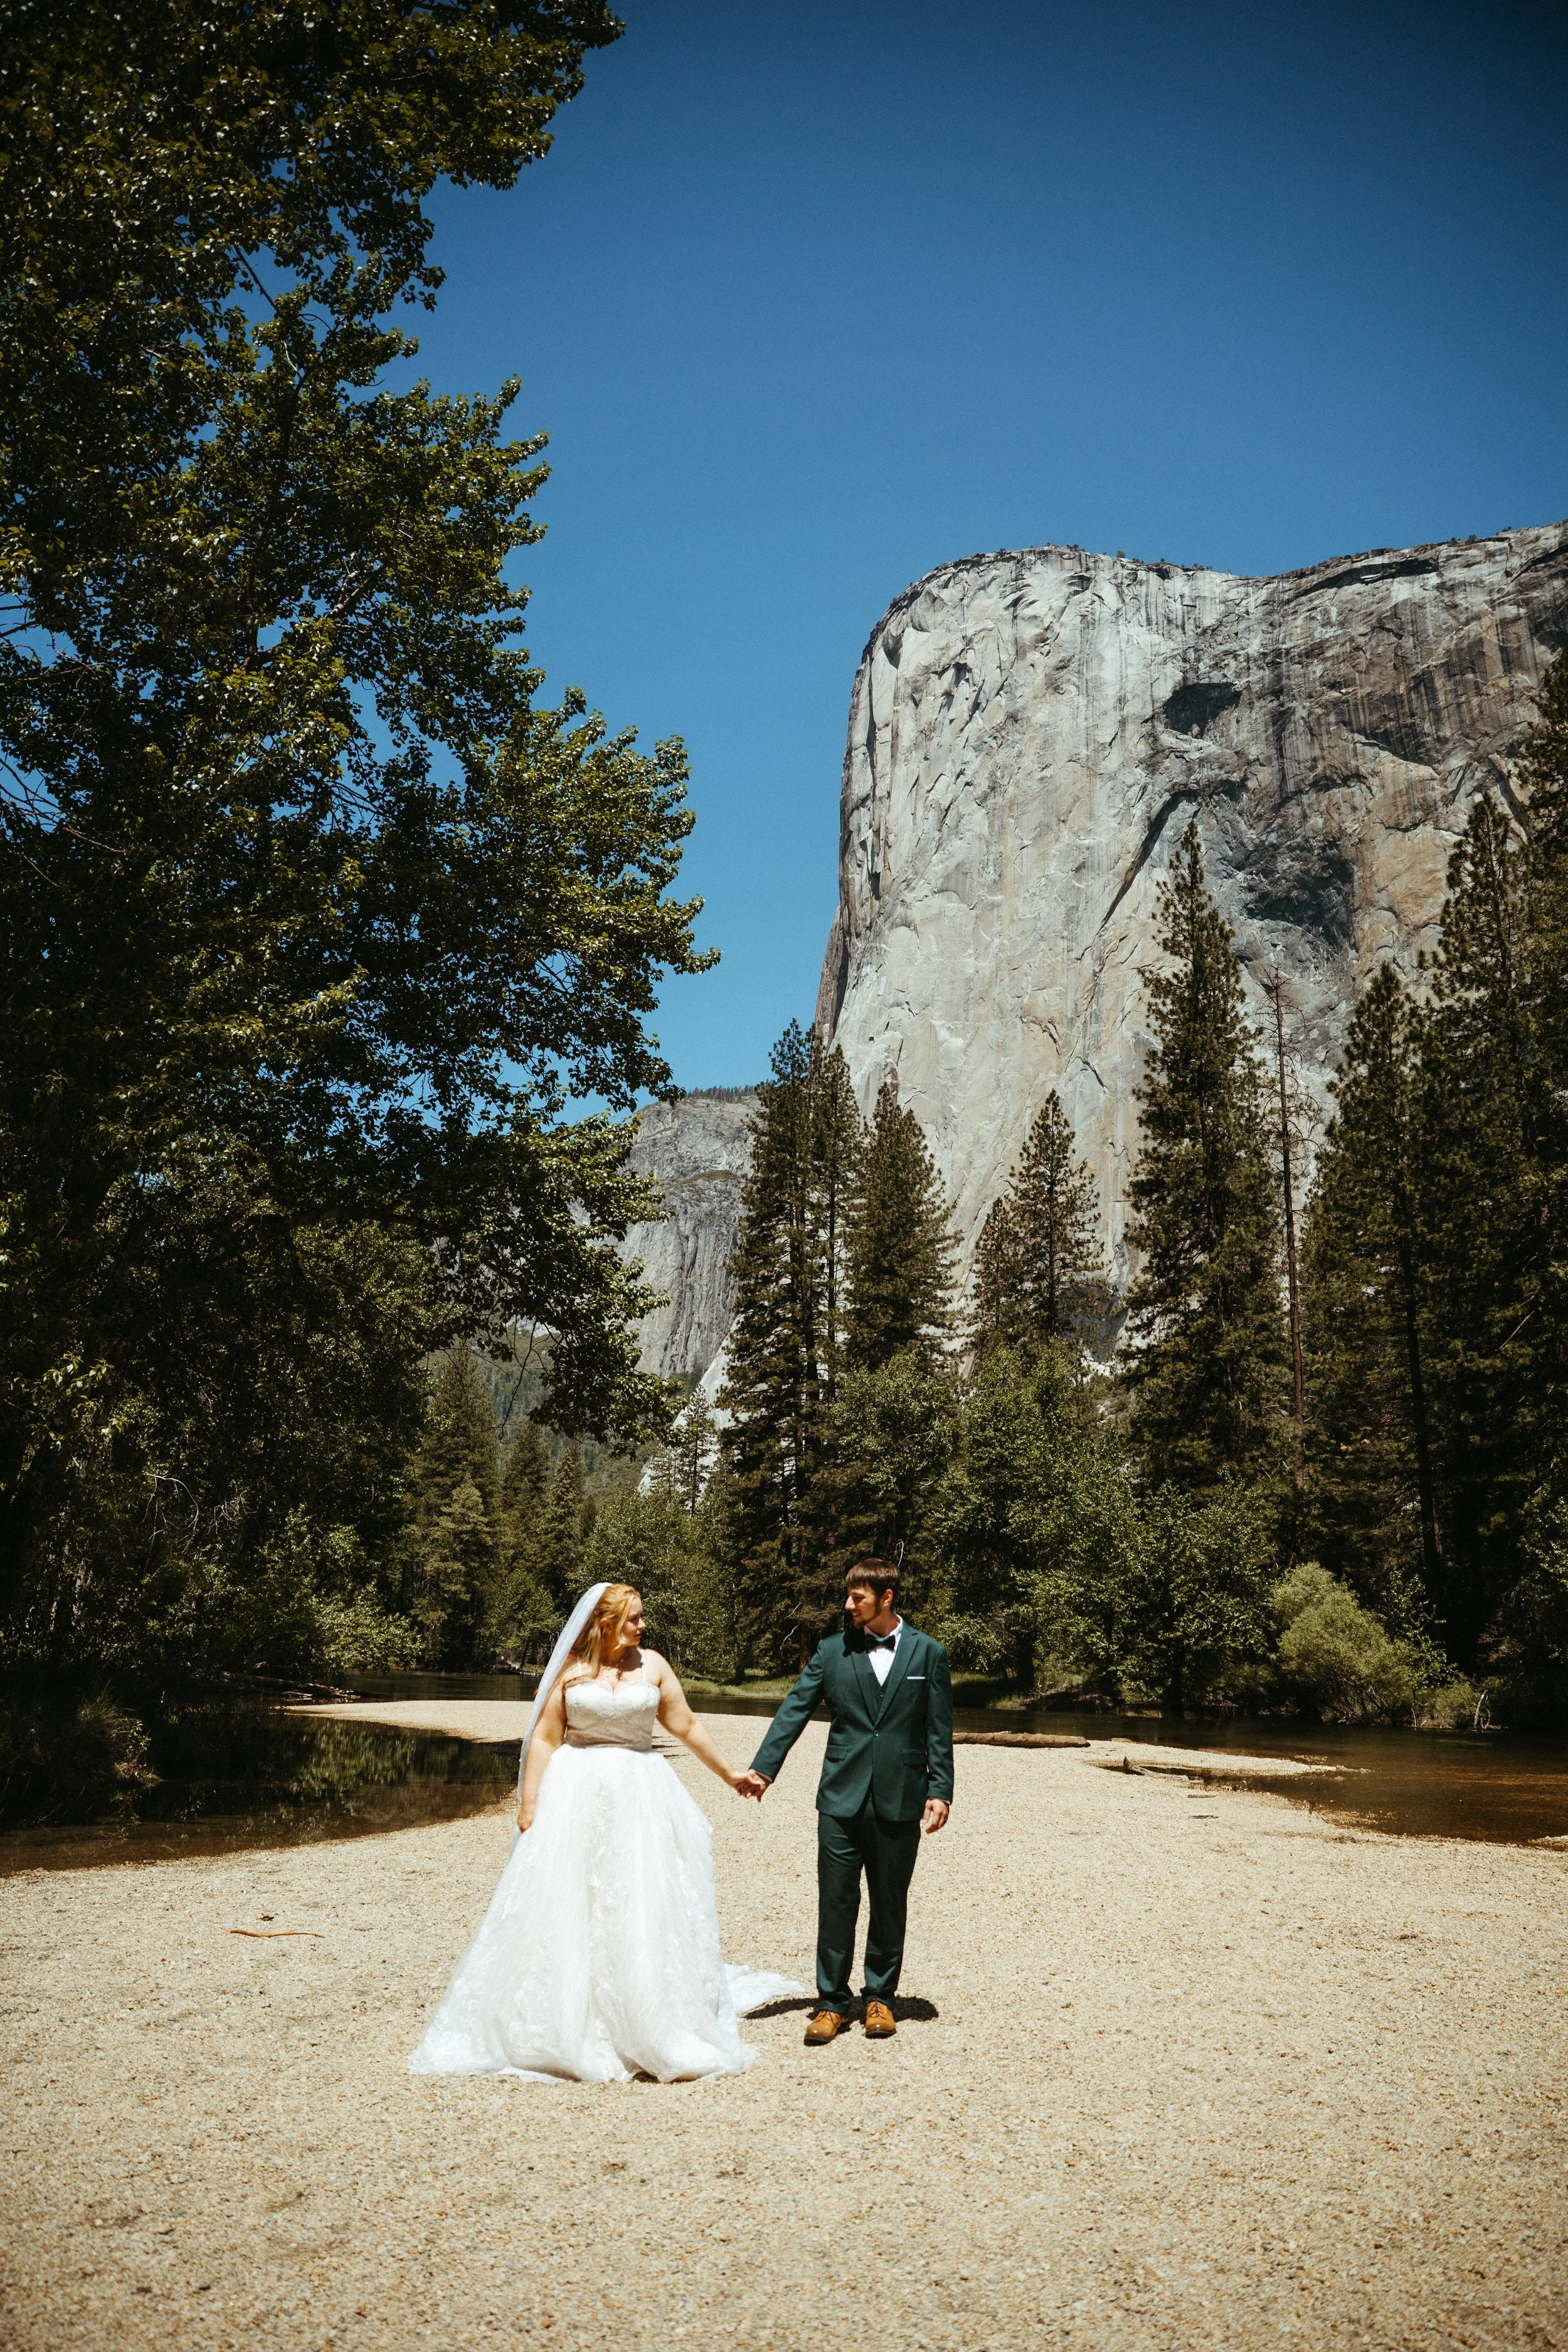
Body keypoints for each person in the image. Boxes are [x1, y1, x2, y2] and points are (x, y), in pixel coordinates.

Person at [410, 1582, 799, 2083]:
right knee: (570, 1896)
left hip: (641, 1791)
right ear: (605, 1623)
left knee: (638, 1895)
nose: (642, 1626)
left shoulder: (653, 1666)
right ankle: (566, 2013)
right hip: (575, 1791)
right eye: (634, 1618)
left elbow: (686, 1726)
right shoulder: (570, 1672)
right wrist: (530, 1802)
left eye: (641, 1618)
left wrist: (730, 1774)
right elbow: (547, 1737)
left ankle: (645, 2013)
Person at [736, 1559, 953, 2045]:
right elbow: (795, 1708)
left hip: (902, 1795)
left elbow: (939, 1729)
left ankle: (880, 1999)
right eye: (848, 1595)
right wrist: (763, 1769)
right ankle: (831, 2003)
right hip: (840, 1796)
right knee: (836, 1901)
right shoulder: (832, 1651)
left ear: (887, 1597)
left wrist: (940, 1790)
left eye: (858, 1597)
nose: (848, 1604)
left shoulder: (929, 1654)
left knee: (889, 1901)